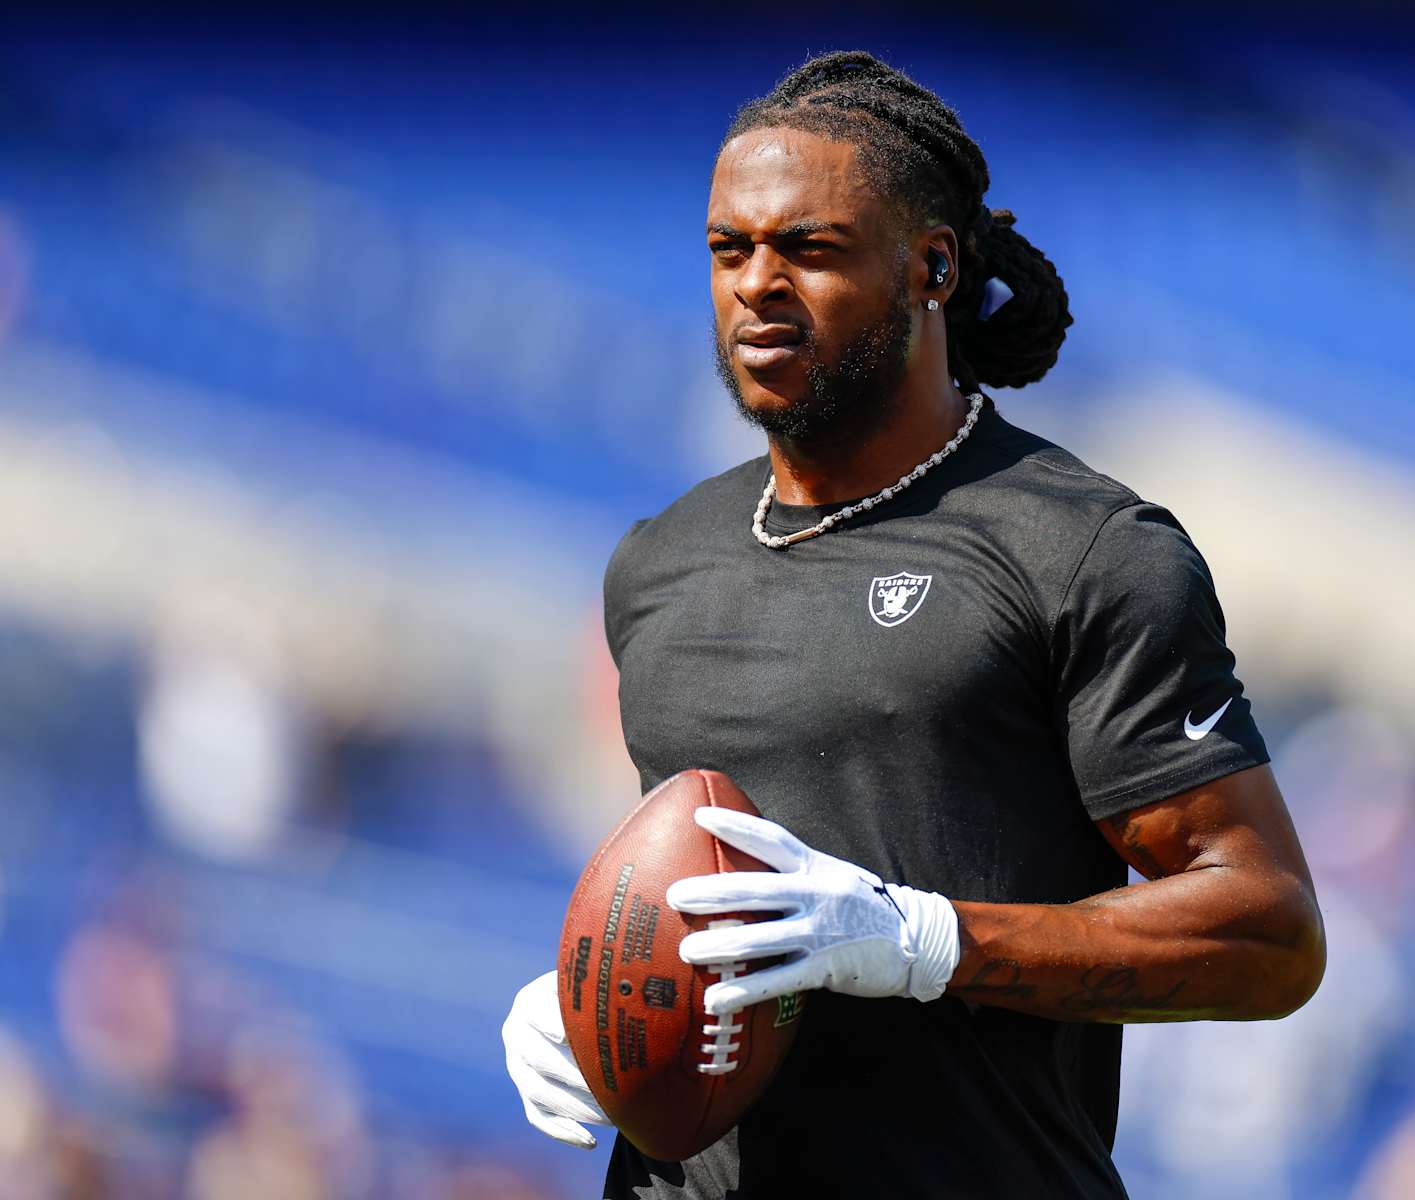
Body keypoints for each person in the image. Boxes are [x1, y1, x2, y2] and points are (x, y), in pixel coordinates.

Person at [502, 50, 1325, 1199]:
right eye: (729, 250)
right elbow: (699, 883)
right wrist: (590, 999)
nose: (757, 286)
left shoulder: (1082, 548)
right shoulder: (659, 562)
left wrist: (928, 944)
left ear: (931, 266)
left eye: (810, 249)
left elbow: (1268, 932)